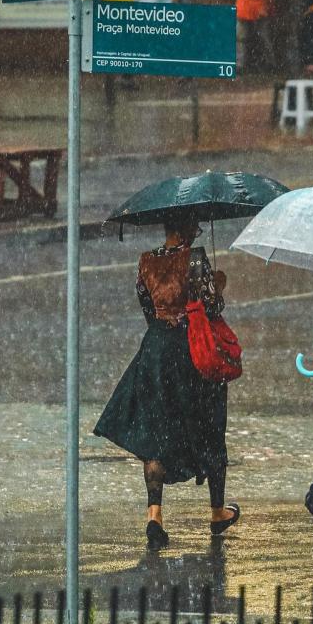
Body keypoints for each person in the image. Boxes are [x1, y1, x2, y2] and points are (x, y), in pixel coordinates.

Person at [94, 214, 241, 549]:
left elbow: (147, 308)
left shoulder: (146, 262)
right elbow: (212, 307)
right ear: (185, 229)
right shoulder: (195, 259)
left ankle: (154, 516)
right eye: (195, 227)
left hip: (156, 350)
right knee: (209, 425)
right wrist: (217, 285)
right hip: (192, 349)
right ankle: (217, 510)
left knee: (155, 432)